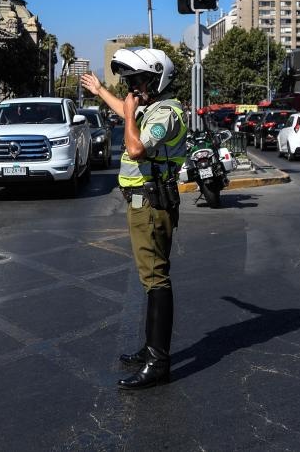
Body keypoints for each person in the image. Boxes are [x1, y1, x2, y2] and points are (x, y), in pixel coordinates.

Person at [80, 48, 187, 390]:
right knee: (150, 279)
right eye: (133, 83)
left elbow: (137, 147)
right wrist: (101, 92)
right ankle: (150, 349)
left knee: (156, 280)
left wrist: (128, 116)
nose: (134, 89)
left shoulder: (166, 113)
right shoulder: (152, 109)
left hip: (151, 205)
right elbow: (127, 111)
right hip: (143, 203)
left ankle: (158, 362)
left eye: (140, 82)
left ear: (158, 80)